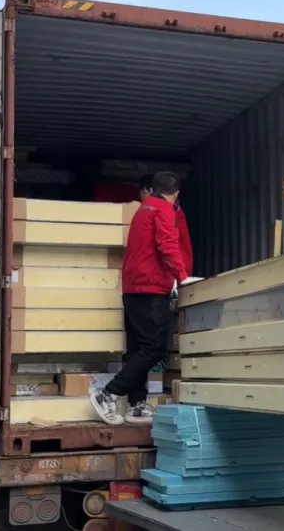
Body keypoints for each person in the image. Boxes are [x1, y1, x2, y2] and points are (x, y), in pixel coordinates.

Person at [90, 171, 201, 424]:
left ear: (150, 189)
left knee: (137, 348)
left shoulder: (143, 209)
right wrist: (182, 277)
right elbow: (167, 245)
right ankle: (108, 394)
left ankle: (136, 404)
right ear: (176, 195)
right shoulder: (163, 210)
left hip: (132, 288)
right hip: (150, 289)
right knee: (154, 348)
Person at [138, 173, 193, 276]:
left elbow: (167, 244)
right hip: (175, 268)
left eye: (140, 194)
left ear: (147, 191)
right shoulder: (165, 210)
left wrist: (182, 275)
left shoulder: (165, 210)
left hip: (175, 269)